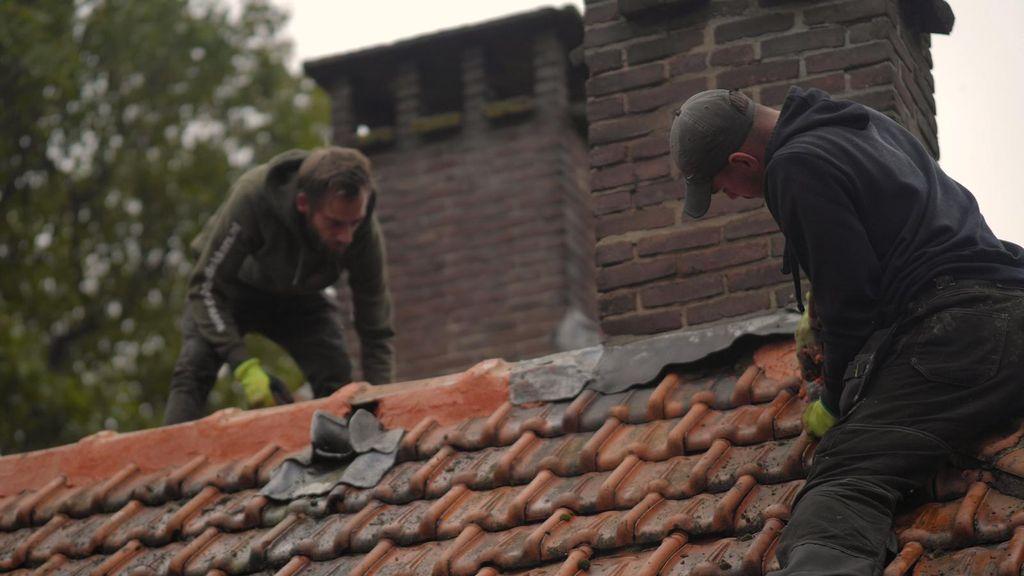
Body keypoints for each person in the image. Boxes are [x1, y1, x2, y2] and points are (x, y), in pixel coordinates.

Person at [669, 87, 1024, 575]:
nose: (729, 196)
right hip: (1009, 300)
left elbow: (850, 299)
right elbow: (890, 238)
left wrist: (835, 401)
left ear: (742, 161)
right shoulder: (864, 125)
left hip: (961, 333)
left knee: (844, 480)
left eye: (720, 185)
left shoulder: (794, 165)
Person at [164, 146, 395, 425]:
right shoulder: (254, 197)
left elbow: (376, 331)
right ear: (303, 204)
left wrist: (380, 407)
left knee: (337, 378)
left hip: (302, 300)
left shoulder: (364, 236)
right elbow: (205, 288)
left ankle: (344, 451)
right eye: (334, 224)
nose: (346, 237)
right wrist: (244, 366)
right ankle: (169, 460)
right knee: (194, 365)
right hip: (235, 290)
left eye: (354, 223)